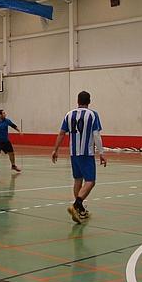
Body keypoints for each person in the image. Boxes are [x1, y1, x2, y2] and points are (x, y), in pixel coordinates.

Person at [51, 91, 107, 224]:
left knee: (78, 180)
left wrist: (55, 149)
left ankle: (80, 209)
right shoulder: (93, 114)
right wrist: (102, 153)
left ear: (77, 101)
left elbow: (61, 133)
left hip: (74, 153)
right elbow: (96, 135)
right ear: (89, 101)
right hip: (86, 153)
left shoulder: (69, 114)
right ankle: (76, 205)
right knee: (90, 181)